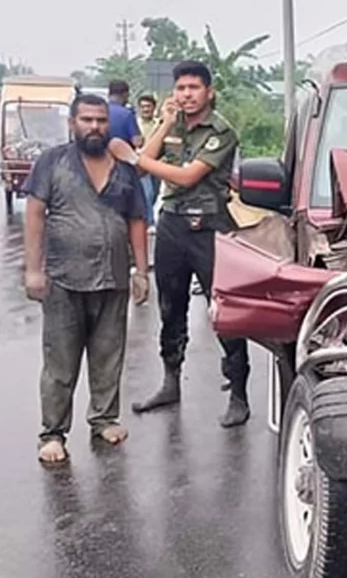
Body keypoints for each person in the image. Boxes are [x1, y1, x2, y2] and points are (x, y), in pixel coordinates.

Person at [108, 60, 251, 428]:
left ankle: (239, 392)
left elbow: (187, 177)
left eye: (194, 88)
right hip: (172, 223)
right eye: (181, 89)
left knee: (224, 311)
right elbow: (143, 169)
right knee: (171, 307)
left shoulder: (221, 131)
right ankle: (171, 381)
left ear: (209, 91)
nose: (187, 95)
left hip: (209, 225)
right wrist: (165, 124)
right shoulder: (173, 125)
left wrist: (136, 157)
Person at [23, 92, 151, 464]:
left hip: (112, 277)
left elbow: (137, 221)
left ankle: (104, 419)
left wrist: (141, 272)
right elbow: (34, 215)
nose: (94, 127)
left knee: (109, 355)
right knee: (60, 361)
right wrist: (33, 269)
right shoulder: (52, 162)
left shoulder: (124, 168)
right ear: (72, 123)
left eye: (100, 121)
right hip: (63, 278)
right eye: (87, 120)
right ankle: (52, 433)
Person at [135, 93, 162, 229]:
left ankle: (147, 215)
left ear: (154, 108)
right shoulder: (134, 123)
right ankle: (149, 221)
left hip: (157, 163)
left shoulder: (159, 124)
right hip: (141, 162)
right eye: (143, 107)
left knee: (155, 192)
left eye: (148, 107)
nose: (146, 109)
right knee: (147, 192)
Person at [106, 80, 143, 148]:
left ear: (108, 94)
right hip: (122, 155)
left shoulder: (99, 111)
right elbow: (137, 142)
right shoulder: (127, 114)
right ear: (125, 94)